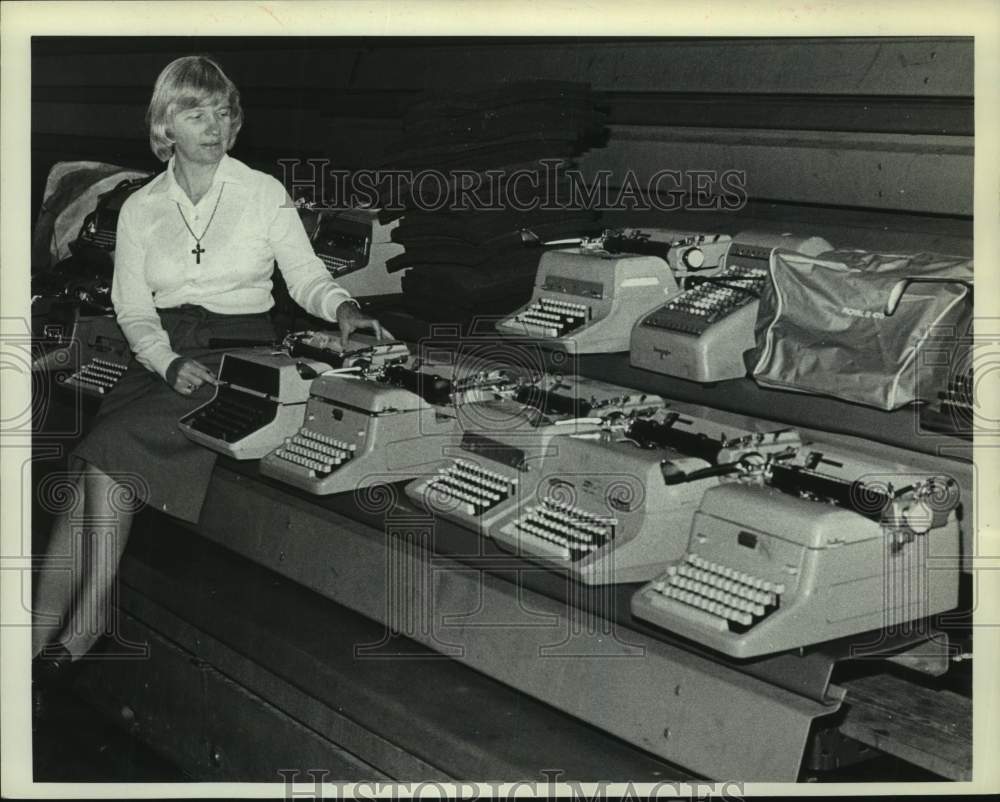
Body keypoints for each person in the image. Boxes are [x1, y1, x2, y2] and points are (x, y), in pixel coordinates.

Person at [32, 55, 385, 663]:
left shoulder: (262, 192)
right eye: (196, 113)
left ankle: (86, 627)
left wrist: (344, 306)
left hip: (239, 354)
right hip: (162, 356)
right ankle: (29, 649)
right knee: (83, 475)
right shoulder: (141, 206)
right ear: (166, 124)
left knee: (105, 453)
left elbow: (304, 275)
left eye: (223, 112)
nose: (214, 125)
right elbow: (133, 308)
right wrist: (164, 361)